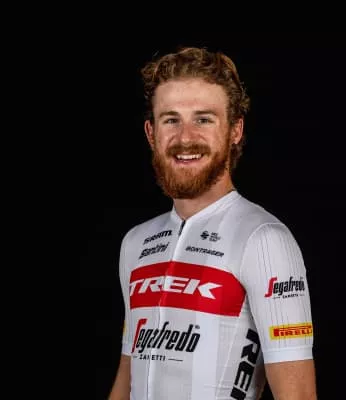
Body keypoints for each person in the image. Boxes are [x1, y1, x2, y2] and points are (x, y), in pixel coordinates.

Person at [109, 46, 317, 400]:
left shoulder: (264, 239)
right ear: (151, 133)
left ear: (235, 130)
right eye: (171, 120)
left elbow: (297, 395)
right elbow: (128, 373)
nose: (185, 137)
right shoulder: (135, 242)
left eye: (203, 119)